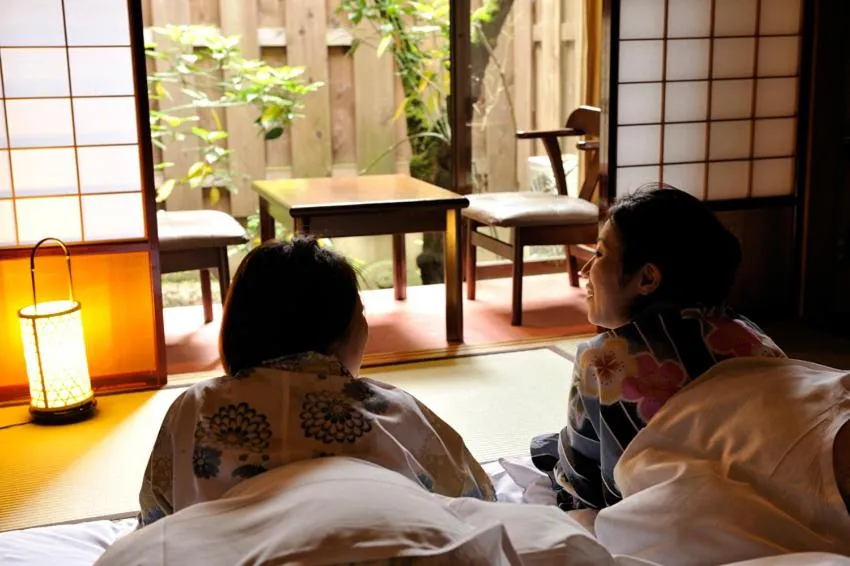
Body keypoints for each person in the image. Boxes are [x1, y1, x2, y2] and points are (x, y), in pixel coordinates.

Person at [138, 236, 494, 526]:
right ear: (341, 333)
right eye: (361, 314)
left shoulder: (195, 407)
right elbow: (475, 503)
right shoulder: (391, 410)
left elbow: (157, 520)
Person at [531, 184, 786, 511]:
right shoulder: (754, 338)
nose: (585, 270)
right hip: (765, 512)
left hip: (660, 524)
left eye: (599, 254)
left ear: (647, 278)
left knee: (548, 451)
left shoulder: (604, 359)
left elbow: (586, 489)